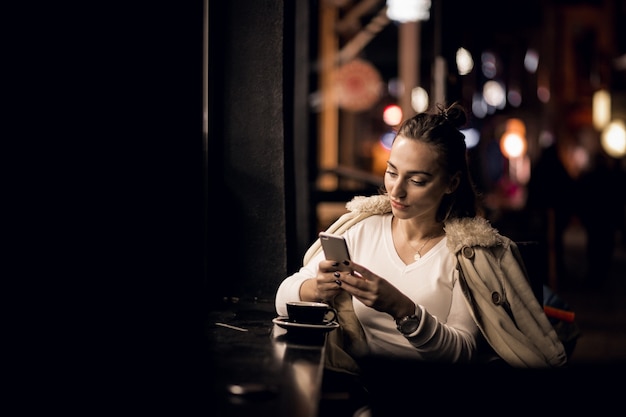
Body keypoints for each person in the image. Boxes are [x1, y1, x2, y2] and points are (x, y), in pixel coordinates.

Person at [275, 103, 567, 374]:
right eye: (392, 172)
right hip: (368, 389)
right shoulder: (362, 230)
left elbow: (462, 353)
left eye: (416, 181)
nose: (396, 191)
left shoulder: (465, 254)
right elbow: (282, 297)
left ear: (451, 183)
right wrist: (315, 288)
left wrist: (401, 309)